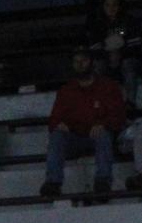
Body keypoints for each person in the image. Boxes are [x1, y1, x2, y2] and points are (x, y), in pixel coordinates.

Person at [42, 49, 125, 198]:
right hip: (74, 137)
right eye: (76, 61)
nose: (80, 65)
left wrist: (103, 124)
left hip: (99, 136)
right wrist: (59, 125)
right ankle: (53, 183)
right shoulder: (66, 91)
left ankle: (103, 181)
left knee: (103, 135)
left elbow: (118, 115)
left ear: (91, 63)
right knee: (56, 136)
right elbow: (54, 119)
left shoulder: (107, 86)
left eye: (84, 60)